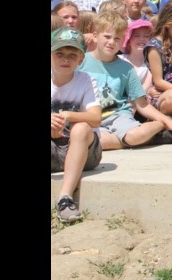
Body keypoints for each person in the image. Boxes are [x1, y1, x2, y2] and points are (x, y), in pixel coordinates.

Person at [80, 11, 172, 149]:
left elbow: (142, 104)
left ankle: (159, 126)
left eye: (117, 39)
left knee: (133, 136)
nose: (111, 42)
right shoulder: (81, 62)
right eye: (107, 36)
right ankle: (128, 141)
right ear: (95, 36)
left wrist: (164, 119)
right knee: (92, 138)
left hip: (118, 115)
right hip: (89, 117)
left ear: (123, 41)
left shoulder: (126, 69)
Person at [51, 27, 103, 224]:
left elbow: (96, 118)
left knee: (81, 127)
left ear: (81, 59)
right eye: (59, 54)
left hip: (85, 151)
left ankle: (65, 198)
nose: (66, 59)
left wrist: (67, 116)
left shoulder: (86, 80)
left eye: (72, 55)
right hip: (55, 149)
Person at [144, 0, 172, 118]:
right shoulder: (155, 47)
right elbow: (158, 82)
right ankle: (163, 120)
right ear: (169, 24)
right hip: (167, 93)